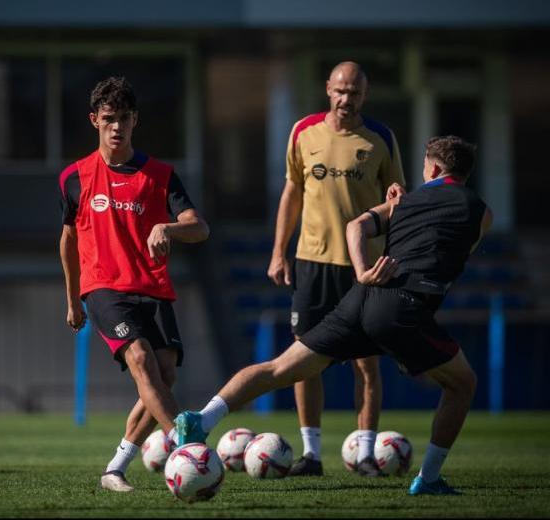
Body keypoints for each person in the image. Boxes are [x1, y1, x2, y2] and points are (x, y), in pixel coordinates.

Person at [177, 135, 492, 496]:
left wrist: (361, 270)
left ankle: (202, 419)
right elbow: (457, 247)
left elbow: (355, 226)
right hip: (403, 308)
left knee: (281, 368)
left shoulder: (404, 203)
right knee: (462, 384)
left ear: (433, 168)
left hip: (362, 296)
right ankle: (430, 479)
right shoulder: (480, 211)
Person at [59, 76, 209, 492]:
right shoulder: (75, 177)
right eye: (108, 119)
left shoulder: (160, 174)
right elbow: (69, 239)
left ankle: (114, 468)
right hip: (104, 287)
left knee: (163, 376)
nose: (116, 127)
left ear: (135, 120)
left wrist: (168, 228)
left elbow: (199, 228)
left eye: (124, 118)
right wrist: (73, 300)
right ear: (94, 121)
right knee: (141, 361)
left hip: (153, 287)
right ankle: (188, 447)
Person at [266, 61, 405, 476]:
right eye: (340, 90)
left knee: (367, 364)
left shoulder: (380, 138)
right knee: (303, 360)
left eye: (355, 93)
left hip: (363, 268)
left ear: (365, 95)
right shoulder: (302, 131)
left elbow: (397, 199)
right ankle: (311, 455)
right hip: (312, 263)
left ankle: (365, 456)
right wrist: (279, 252)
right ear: (327, 88)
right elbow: (292, 192)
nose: (347, 99)